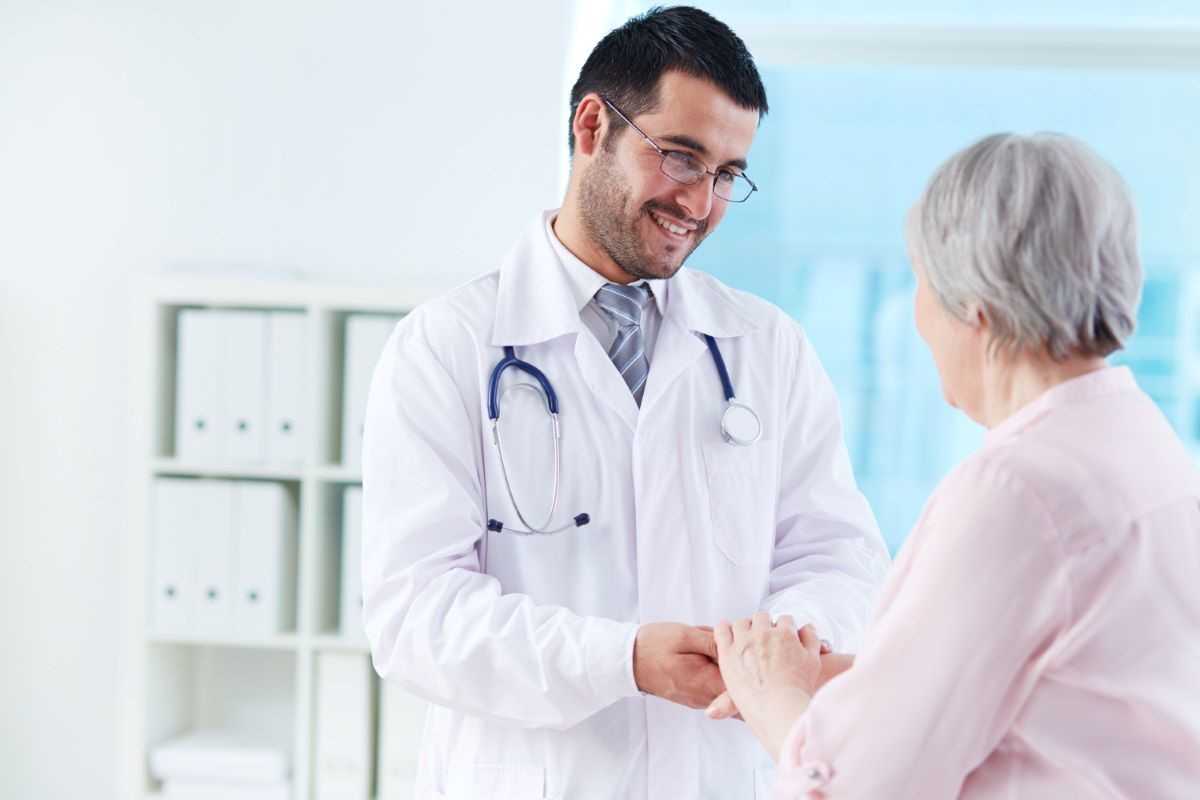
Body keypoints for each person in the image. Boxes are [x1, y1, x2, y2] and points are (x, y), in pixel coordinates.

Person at [360, 6, 889, 799]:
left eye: (728, 174)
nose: (701, 203)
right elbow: (415, 616)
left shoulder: (766, 347)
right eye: (681, 157)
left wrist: (778, 644)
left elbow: (841, 558)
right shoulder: (446, 348)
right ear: (590, 126)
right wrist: (622, 660)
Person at [711, 132, 1200, 798]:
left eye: (921, 281)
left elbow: (852, 788)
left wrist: (773, 696)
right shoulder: (1142, 443)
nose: (916, 315)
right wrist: (871, 680)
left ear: (977, 308)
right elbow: (1076, 699)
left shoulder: (1017, 491)